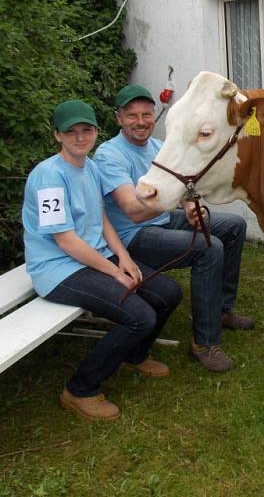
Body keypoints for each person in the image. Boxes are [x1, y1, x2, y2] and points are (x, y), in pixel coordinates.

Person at [23, 100, 182, 421]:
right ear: (57, 135)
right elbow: (65, 240)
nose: (80, 137)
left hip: (94, 257)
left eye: (87, 130)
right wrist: (114, 271)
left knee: (168, 293)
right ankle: (80, 389)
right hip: (58, 269)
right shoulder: (47, 177)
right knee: (140, 316)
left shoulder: (91, 166)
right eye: (72, 132)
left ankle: (135, 356)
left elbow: (102, 218)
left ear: (96, 131)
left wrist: (124, 257)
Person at [93, 84, 251, 374]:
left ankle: (221, 310)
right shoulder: (109, 155)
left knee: (233, 226)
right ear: (118, 118)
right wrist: (179, 200)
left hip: (163, 219)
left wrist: (193, 207)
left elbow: (186, 186)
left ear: (155, 116)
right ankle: (204, 343)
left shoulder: (157, 147)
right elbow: (132, 210)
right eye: (132, 116)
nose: (141, 121)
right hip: (132, 236)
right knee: (208, 248)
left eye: (146, 114)